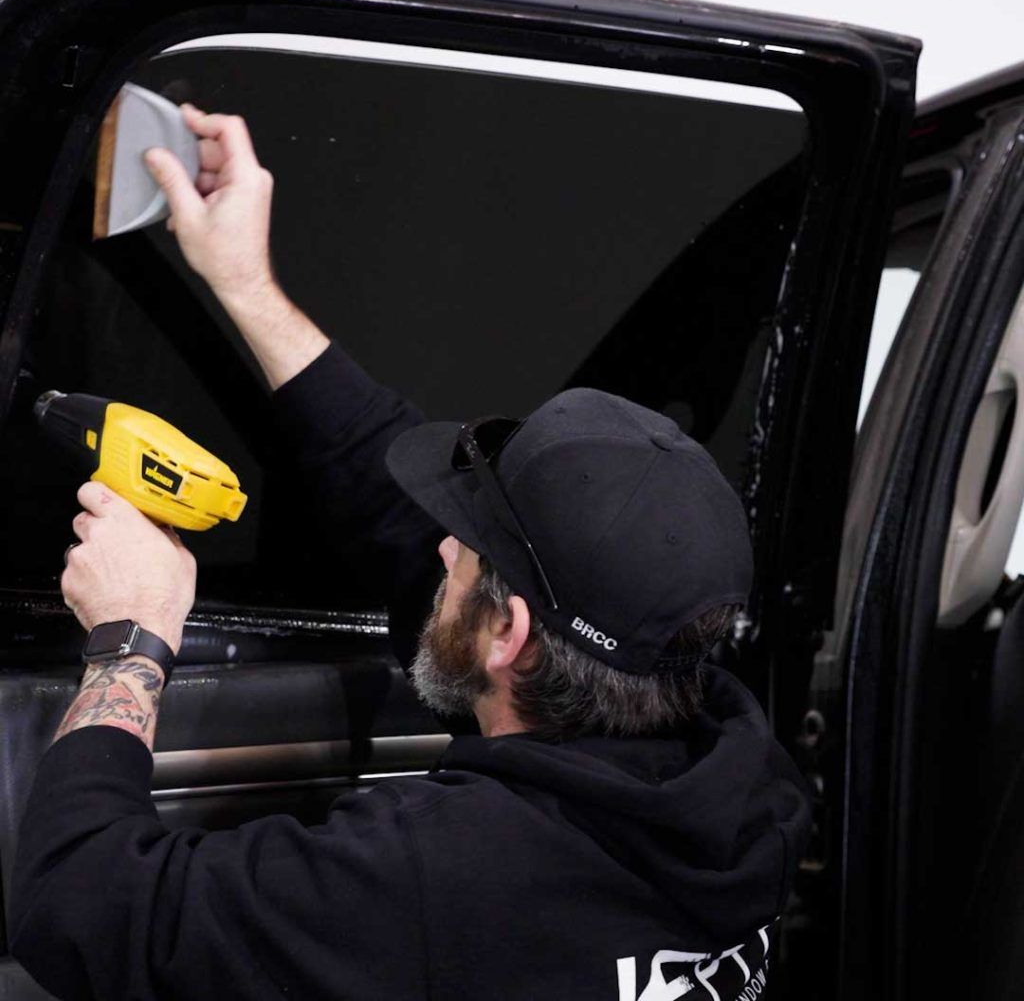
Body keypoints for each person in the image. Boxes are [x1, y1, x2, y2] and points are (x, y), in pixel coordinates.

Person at [9, 105, 811, 1001]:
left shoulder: (440, 879)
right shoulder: (744, 789)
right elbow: (383, 495)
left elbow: (81, 910)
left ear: (509, 635)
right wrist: (242, 281)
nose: (433, 546)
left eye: (461, 551)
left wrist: (131, 637)